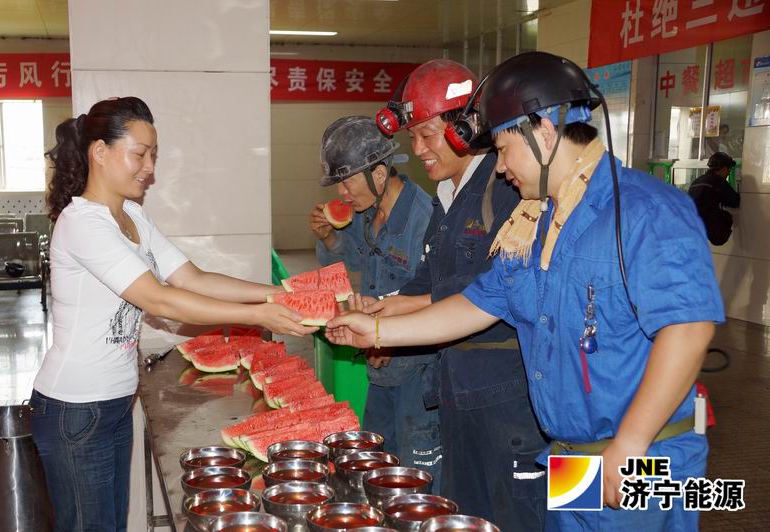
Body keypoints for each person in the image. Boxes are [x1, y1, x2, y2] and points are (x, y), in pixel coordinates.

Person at [329, 52, 724, 531]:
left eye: (503, 148)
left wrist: (632, 442)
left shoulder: (646, 211)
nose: (499, 168)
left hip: (644, 458)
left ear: (544, 134)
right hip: (570, 455)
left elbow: (688, 329)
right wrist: (374, 330)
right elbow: (474, 304)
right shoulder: (533, 225)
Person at [34, 96, 316, 531]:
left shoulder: (132, 216)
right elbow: (160, 299)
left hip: (113, 402)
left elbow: (192, 278)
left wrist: (276, 294)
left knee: (110, 525)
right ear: (100, 152)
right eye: (140, 154)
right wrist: (259, 316)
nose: (149, 168)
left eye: (153, 155)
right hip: (76, 407)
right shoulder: (82, 223)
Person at [371, 59, 547, 531]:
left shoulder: (507, 189)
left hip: (507, 399)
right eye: (412, 137)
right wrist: (383, 311)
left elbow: (485, 292)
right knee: (466, 513)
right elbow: (430, 279)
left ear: (465, 128)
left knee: (517, 517)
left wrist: (388, 326)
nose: (418, 150)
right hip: (458, 391)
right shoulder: (448, 195)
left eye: (427, 135)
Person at [309, 116, 440, 485]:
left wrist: (390, 339)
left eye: (347, 182)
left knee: (417, 482)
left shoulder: (425, 219)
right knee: (375, 472)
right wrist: (330, 238)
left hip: (418, 376)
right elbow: (352, 266)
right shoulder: (365, 214)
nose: (342, 194)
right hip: (379, 369)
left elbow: (437, 300)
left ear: (379, 174)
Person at [689, 151, 740, 246]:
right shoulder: (718, 181)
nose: (729, 172)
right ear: (724, 168)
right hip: (708, 223)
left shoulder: (697, 181)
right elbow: (734, 201)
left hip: (691, 222)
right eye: (729, 169)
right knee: (726, 217)